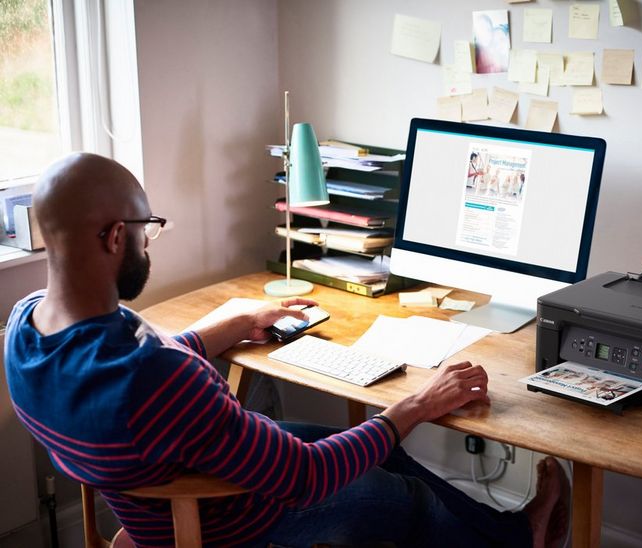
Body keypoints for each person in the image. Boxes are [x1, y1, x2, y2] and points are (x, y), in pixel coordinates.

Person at [4, 152, 569, 547]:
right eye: (145, 228)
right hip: (223, 519)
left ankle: (516, 535)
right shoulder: (157, 379)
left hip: (157, 494)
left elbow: (141, 372)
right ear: (112, 237)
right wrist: (417, 405)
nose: (147, 241)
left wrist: (226, 328)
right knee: (404, 497)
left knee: (357, 442)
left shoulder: (27, 327)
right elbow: (305, 478)